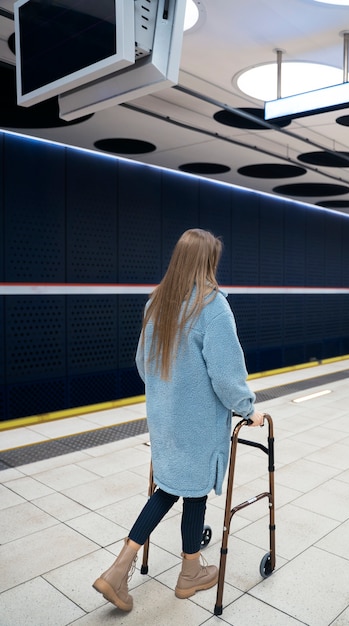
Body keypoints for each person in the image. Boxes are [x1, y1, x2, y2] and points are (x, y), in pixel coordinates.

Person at [93, 228, 265, 612]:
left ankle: (187, 568)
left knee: (174, 485)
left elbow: (142, 363)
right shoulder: (213, 306)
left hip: (164, 416)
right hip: (198, 420)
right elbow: (226, 374)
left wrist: (166, 394)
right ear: (207, 262)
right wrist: (247, 409)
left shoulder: (157, 302)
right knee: (187, 487)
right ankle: (130, 569)